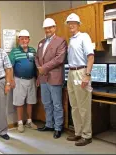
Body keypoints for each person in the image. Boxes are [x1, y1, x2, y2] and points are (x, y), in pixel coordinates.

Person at [35, 18, 67, 139]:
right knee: (47, 103)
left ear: (54, 28)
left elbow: (59, 59)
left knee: (57, 104)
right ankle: (49, 124)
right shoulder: (41, 42)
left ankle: (58, 127)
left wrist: (44, 68)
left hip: (54, 77)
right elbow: (36, 58)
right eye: (46, 28)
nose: (48, 30)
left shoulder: (61, 41)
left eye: (50, 27)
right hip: (43, 78)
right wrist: (39, 68)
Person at [65, 13, 94, 146]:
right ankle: (78, 132)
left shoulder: (84, 37)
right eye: (69, 23)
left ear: (78, 24)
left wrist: (87, 75)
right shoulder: (71, 39)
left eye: (74, 23)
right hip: (71, 73)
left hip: (81, 72)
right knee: (74, 106)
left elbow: (90, 57)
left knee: (84, 107)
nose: (71, 25)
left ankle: (87, 135)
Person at [8, 29, 38, 133]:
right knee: (19, 102)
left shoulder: (33, 51)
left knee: (31, 101)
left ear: (29, 40)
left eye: (26, 39)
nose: (24, 41)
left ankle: (29, 121)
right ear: (19, 40)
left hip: (32, 79)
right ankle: (20, 123)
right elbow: (9, 67)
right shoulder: (14, 52)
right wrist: (11, 80)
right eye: (22, 39)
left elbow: (37, 65)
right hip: (19, 80)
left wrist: (37, 78)